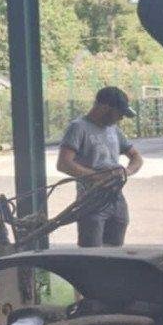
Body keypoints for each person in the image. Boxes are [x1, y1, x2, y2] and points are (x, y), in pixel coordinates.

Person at [57, 86, 144, 247]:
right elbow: (64, 164)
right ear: (105, 107)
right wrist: (98, 177)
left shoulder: (114, 130)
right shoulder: (78, 128)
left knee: (115, 253)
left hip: (116, 198)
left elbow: (136, 157)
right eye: (119, 113)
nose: (121, 119)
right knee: (92, 255)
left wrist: (127, 171)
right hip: (91, 200)